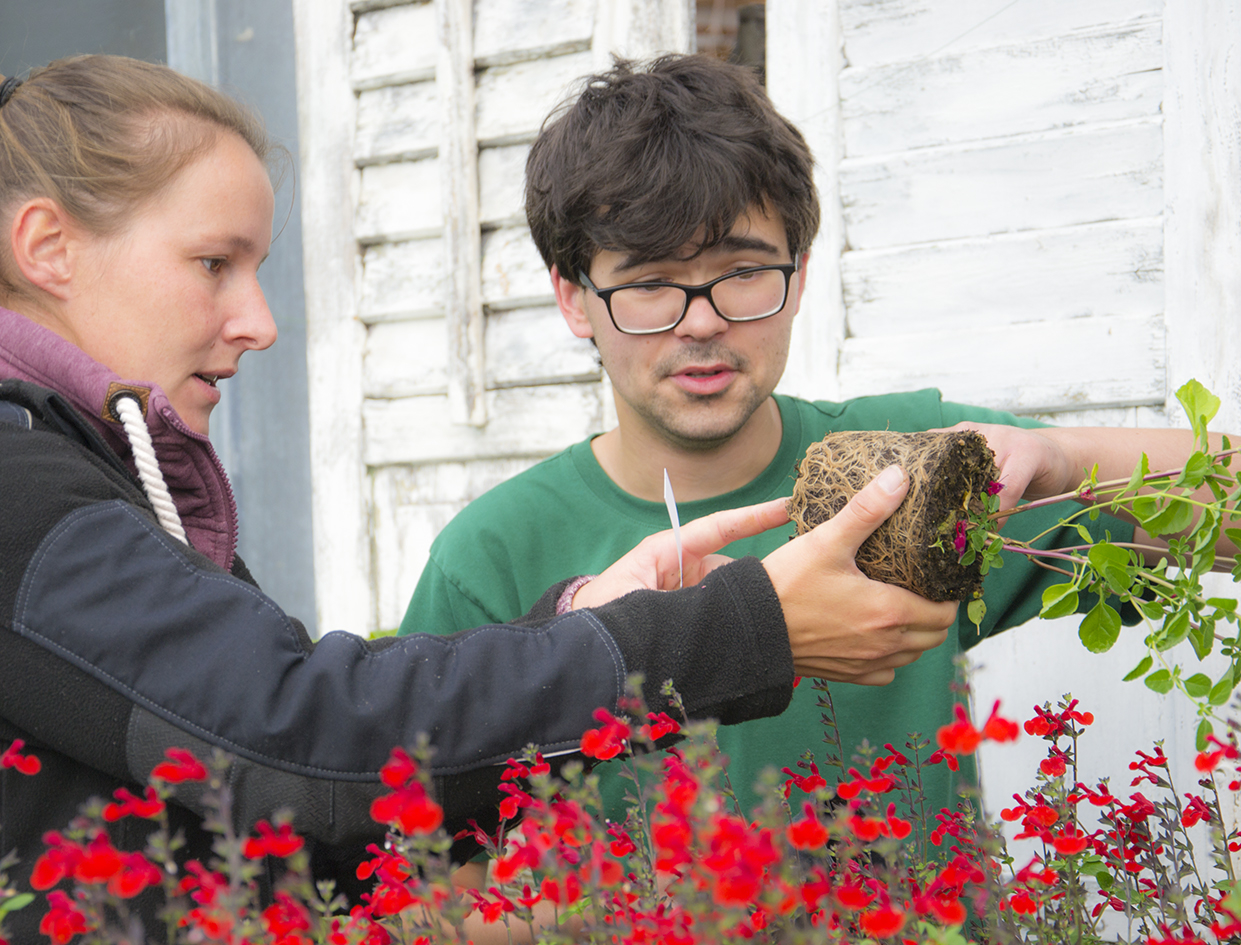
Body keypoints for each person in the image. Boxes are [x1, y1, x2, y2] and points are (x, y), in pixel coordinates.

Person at [0, 55, 946, 942]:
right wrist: (738, 628)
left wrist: (586, 623)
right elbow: (303, 743)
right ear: (48, 246)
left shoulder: (61, 475)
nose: (259, 320)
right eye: (216, 263)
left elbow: (288, 819)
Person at [399, 52, 1235, 866]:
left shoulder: (910, 462)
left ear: (797, 277)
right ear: (573, 298)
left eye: (741, 270)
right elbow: (419, 864)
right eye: (650, 280)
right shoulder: (493, 557)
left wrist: (1060, 456)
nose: (701, 321)